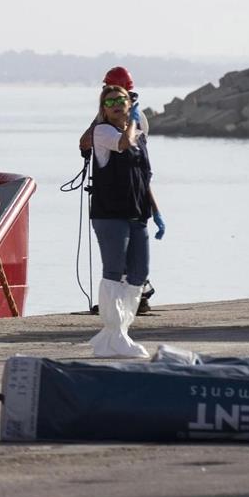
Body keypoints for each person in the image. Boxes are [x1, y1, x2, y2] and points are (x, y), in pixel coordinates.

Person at [77, 65, 164, 311]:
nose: (113, 100)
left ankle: (134, 299)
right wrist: (101, 116)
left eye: (118, 96)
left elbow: (140, 169)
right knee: (117, 264)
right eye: (108, 96)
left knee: (135, 264)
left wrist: (154, 210)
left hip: (133, 202)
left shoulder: (136, 122)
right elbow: (88, 142)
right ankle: (119, 309)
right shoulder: (104, 126)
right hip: (115, 206)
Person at [86, 83, 160, 357]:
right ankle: (115, 331)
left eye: (121, 99)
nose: (116, 104)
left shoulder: (139, 135)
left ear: (130, 103)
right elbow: (122, 143)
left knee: (139, 274)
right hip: (110, 214)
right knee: (114, 271)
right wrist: (132, 122)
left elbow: (145, 177)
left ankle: (118, 332)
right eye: (109, 102)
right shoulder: (103, 132)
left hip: (137, 212)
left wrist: (157, 210)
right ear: (103, 109)